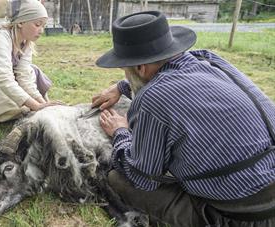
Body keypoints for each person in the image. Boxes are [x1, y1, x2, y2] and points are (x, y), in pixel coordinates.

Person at [92, 11, 275, 227]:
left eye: (124, 69)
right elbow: (183, 90)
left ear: (140, 67)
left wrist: (120, 132)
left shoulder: (152, 98)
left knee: (118, 179)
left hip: (243, 216)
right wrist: (122, 86)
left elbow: (141, 176)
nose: (125, 74)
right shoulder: (209, 60)